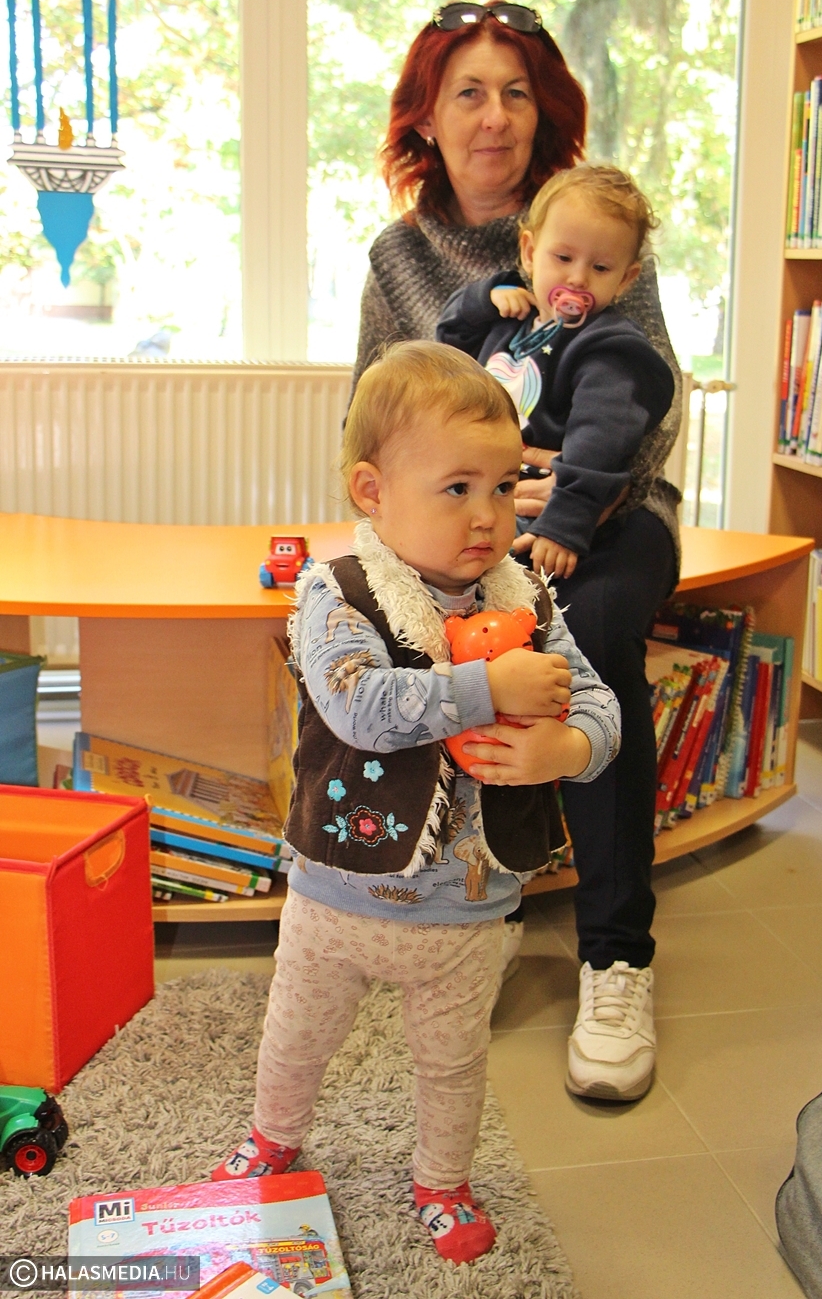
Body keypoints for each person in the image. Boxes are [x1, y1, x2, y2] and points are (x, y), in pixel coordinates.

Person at [213, 342, 620, 1265]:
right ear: (373, 491)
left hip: (468, 909)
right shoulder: (336, 591)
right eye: (457, 488)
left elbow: (600, 706)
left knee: (453, 1063)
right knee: (296, 1039)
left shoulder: (527, 595)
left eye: (504, 487)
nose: (487, 515)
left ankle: (442, 1179)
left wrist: (565, 747)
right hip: (337, 894)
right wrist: (488, 689)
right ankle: (273, 1138)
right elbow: (359, 706)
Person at [351, 0, 682, 1103]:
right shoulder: (400, 255)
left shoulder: (593, 224)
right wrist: (460, 497)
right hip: (457, 522)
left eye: (517, 93)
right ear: (428, 117)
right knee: (414, 630)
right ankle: (462, 909)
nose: (495, 116)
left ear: (544, 114)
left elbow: (651, 409)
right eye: (469, 93)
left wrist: (559, 492)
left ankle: (616, 957)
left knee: (585, 637)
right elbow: (372, 410)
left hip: (610, 518)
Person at [436, 163, 674, 584]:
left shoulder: (608, 351)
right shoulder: (510, 320)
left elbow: (599, 445)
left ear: (626, 279)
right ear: (530, 252)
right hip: (479, 493)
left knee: (499, 590)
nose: (578, 277)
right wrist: (486, 298)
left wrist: (564, 523)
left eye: (601, 268)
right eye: (563, 258)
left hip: (540, 511)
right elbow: (446, 344)